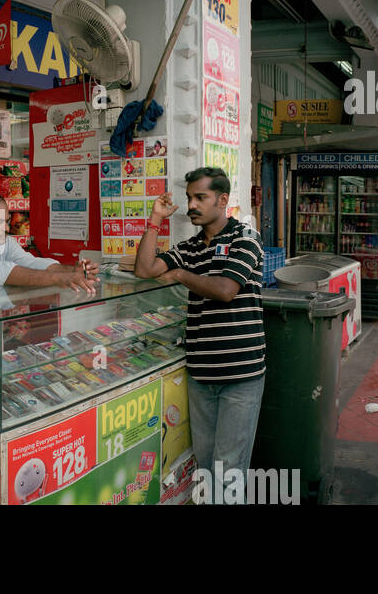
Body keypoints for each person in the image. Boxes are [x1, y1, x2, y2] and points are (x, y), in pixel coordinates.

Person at [132, 167, 265, 504]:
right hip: (201, 373)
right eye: (189, 197)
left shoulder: (245, 238)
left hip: (240, 374)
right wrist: (155, 219)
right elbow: (145, 269)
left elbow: (224, 290)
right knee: (206, 466)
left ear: (222, 200)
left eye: (200, 197)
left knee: (228, 468)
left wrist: (178, 274)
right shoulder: (190, 247)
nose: (191, 204)